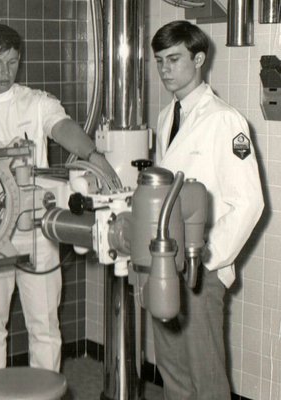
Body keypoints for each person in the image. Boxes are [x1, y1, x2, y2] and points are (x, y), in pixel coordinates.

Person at [0, 24, 118, 374]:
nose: (5, 72)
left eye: (12, 62)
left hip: (36, 226)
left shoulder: (37, 102)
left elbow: (61, 126)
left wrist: (94, 156)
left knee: (45, 324)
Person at [150, 20, 264, 399]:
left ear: (199, 58)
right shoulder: (168, 117)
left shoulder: (225, 120)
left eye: (173, 59)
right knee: (171, 367)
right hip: (167, 260)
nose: (165, 69)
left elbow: (249, 202)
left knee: (205, 371)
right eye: (159, 61)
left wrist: (205, 257)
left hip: (200, 267)